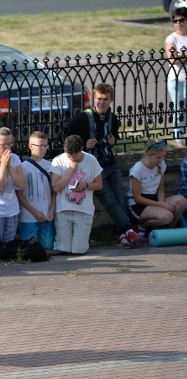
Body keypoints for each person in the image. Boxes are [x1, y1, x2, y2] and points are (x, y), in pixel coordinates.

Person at [66, 83, 140, 248]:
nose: (102, 102)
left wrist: (114, 140)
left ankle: (122, 234)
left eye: (106, 99)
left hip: (110, 164)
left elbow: (115, 135)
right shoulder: (84, 117)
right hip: (93, 168)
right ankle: (128, 230)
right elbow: (65, 133)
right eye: (99, 98)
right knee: (109, 200)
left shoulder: (112, 118)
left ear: (111, 100)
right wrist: (83, 144)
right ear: (94, 98)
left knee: (120, 198)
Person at [50, 135, 103, 255]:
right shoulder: (58, 160)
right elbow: (56, 187)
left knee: (78, 250)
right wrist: (70, 170)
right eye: (70, 156)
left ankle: (84, 242)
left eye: (77, 156)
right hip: (63, 209)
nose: (73, 159)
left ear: (81, 149)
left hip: (83, 210)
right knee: (63, 249)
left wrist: (86, 185)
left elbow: (99, 184)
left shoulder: (91, 159)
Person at [127, 139, 187, 231]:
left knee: (182, 201)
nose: (161, 160)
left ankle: (168, 229)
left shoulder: (161, 164)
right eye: (158, 157)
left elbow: (160, 189)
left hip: (154, 199)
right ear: (148, 155)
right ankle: (142, 226)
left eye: (163, 156)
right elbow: (137, 198)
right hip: (139, 204)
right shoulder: (137, 169)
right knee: (167, 216)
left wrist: (162, 203)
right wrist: (161, 205)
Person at [15, 131, 56, 250]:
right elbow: (20, 194)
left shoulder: (50, 166)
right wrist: (34, 212)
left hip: (47, 214)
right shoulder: (23, 167)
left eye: (45, 146)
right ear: (30, 146)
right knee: (29, 249)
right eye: (40, 146)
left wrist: (52, 210)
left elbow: (54, 191)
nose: (43, 149)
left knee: (47, 247)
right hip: (28, 217)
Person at [165, 5, 187, 147]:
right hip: (177, 79)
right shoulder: (171, 38)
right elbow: (173, 60)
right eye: (175, 20)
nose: (178, 23)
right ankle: (180, 141)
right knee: (179, 111)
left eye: (181, 20)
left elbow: (178, 58)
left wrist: (182, 55)